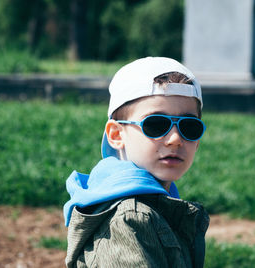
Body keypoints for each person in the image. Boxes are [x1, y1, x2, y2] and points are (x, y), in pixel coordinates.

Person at [63, 57, 210, 267]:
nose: (176, 139)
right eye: (156, 124)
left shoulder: (155, 202)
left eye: (189, 127)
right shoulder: (129, 219)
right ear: (116, 134)